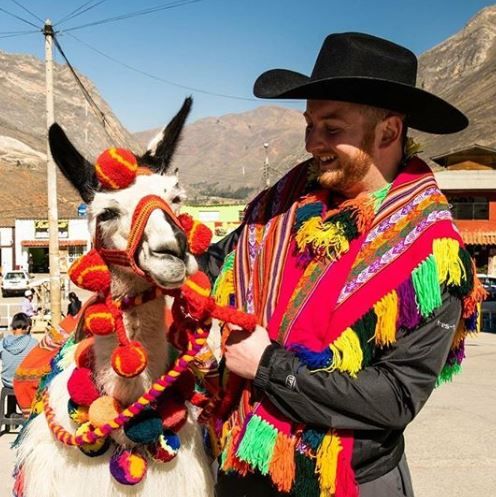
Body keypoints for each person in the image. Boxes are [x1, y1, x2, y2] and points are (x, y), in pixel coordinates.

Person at [199, 33, 485, 497]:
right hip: (241, 462)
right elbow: (212, 264)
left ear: (388, 132)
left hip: (346, 481)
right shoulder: (282, 205)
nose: (313, 143)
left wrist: (268, 365)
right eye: (309, 126)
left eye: (332, 129)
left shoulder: (430, 256)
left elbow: (394, 398)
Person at [0, 313, 37, 390]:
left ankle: (11, 402)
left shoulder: (3, 342)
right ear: (28, 328)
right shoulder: (34, 343)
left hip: (7, 382)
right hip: (26, 383)